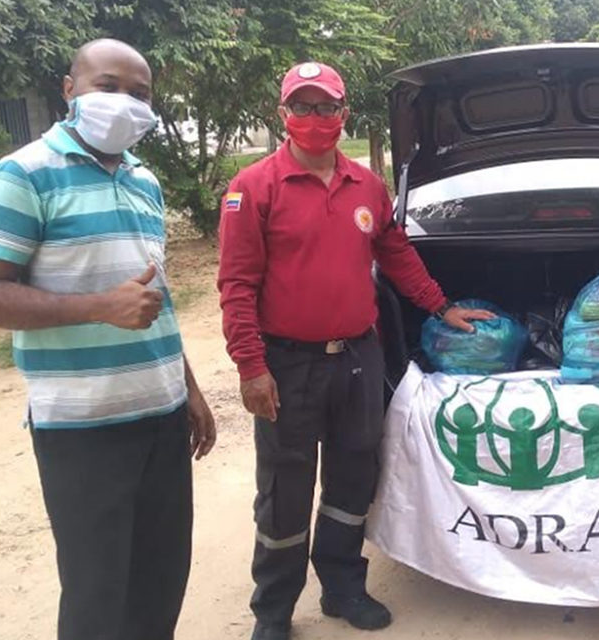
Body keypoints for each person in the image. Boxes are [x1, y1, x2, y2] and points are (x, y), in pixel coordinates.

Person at [217, 61, 493, 640]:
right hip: (287, 363)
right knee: (284, 491)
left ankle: (342, 586)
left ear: (343, 114)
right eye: (303, 106)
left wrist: (441, 307)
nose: (314, 119)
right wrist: (250, 366)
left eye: (325, 107)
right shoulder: (253, 188)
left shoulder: (368, 186)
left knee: (353, 480)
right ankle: (273, 610)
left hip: (359, 359)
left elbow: (395, 255)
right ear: (283, 113)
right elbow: (237, 285)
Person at [0, 38, 216, 640]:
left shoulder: (143, 180)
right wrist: (98, 307)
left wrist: (190, 389)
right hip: (82, 426)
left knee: (161, 580)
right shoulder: (23, 174)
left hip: (161, 414)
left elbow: (155, 299)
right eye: (108, 86)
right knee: (98, 594)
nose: (124, 102)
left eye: (140, 94)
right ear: (70, 90)